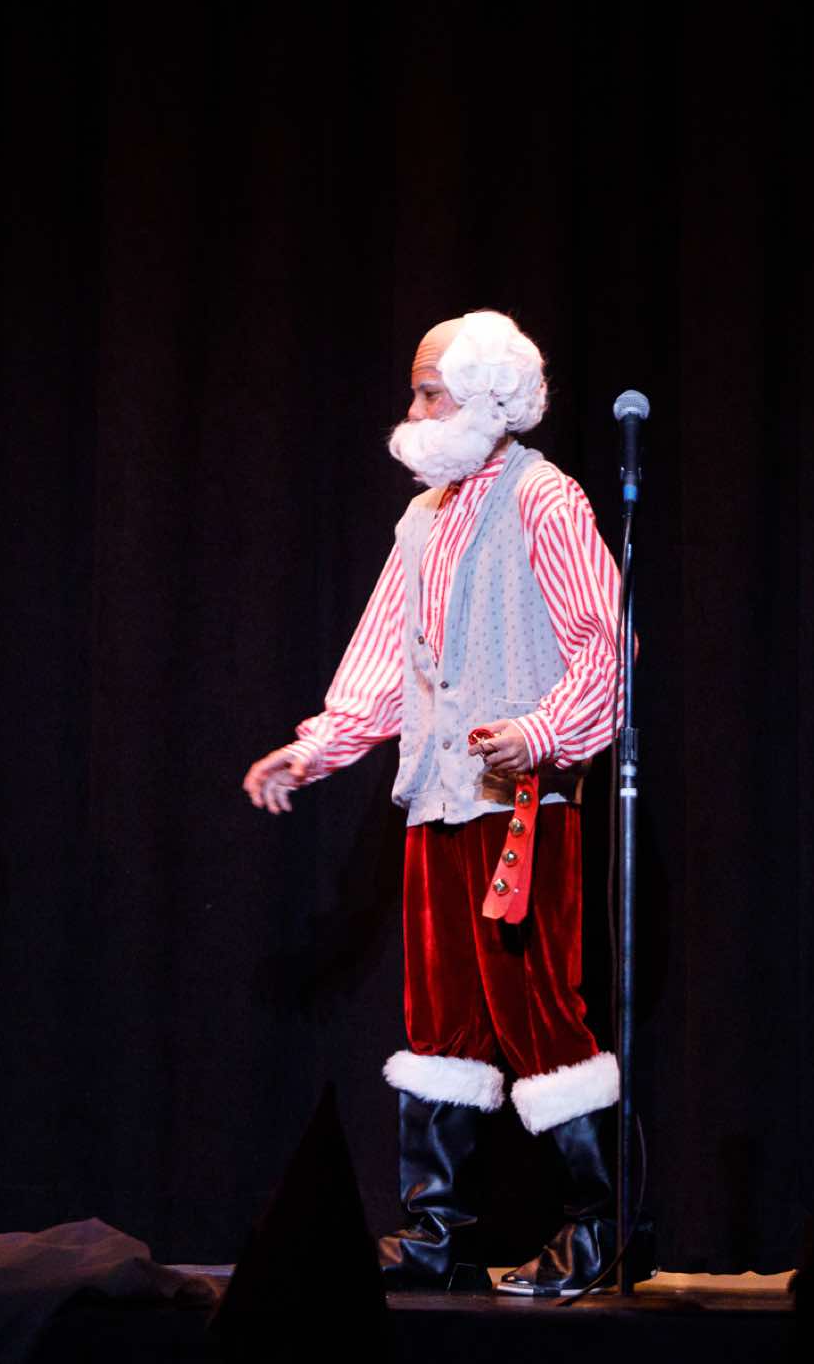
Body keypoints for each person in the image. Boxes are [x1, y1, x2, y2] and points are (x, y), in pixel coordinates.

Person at [242, 310, 623, 1296]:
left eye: (428, 391)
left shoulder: (544, 499)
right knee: (442, 1016)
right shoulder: (421, 519)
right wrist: (314, 750)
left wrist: (541, 731)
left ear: (488, 398)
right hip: (438, 801)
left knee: (536, 1008)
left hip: (520, 804)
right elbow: (382, 660)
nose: (412, 410)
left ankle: (597, 1232)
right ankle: (437, 1231)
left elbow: (601, 645)